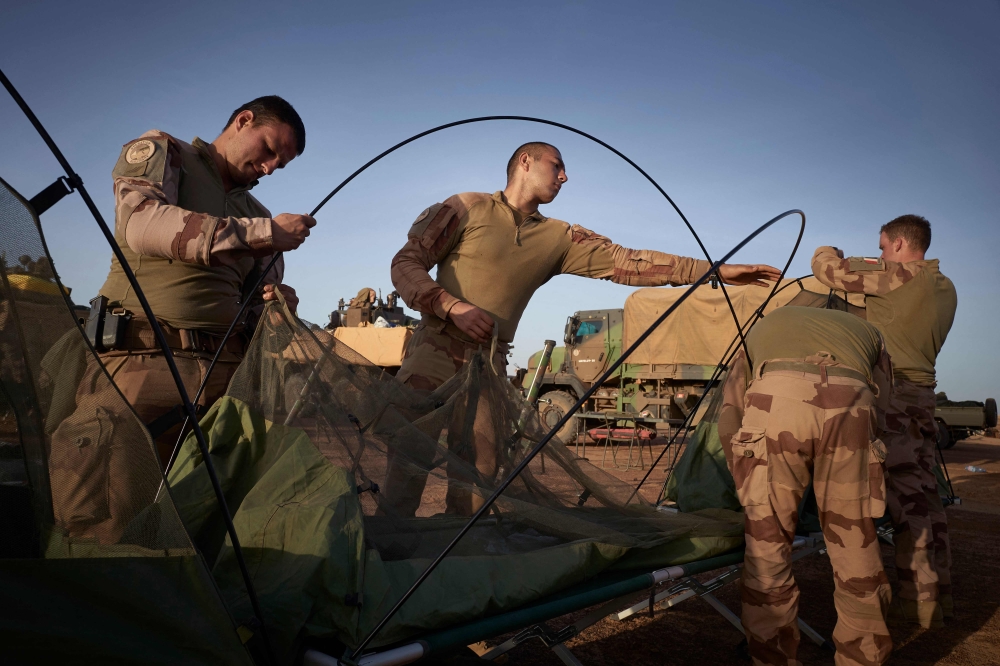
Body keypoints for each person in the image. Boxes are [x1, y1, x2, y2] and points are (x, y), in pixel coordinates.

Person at [386, 140, 782, 516]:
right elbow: (405, 263)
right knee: (408, 457)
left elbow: (631, 262)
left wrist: (716, 271)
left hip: (489, 365)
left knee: (479, 474)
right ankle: (390, 547)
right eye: (556, 165)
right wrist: (451, 306)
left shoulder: (558, 237)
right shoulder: (467, 207)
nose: (564, 176)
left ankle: (459, 554)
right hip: (434, 350)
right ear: (525, 162)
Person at [47, 96, 316, 544]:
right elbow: (142, 224)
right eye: (269, 150)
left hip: (225, 385)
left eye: (280, 165)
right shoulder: (167, 152)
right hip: (141, 367)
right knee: (109, 523)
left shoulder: (258, 214)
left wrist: (277, 306)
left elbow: (255, 305)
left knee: (204, 530)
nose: (270, 168)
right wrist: (264, 234)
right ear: (243, 120)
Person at [717, 306, 894, 666]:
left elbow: (730, 408)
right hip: (853, 403)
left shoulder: (764, 325)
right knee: (855, 546)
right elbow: (886, 405)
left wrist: (743, 472)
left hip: (777, 401)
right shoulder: (870, 332)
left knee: (768, 548)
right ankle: (863, 658)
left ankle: (772, 657)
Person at [812, 215, 957, 628]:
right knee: (926, 496)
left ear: (898, 245)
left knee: (904, 500)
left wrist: (828, 250)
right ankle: (938, 597)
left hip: (895, 395)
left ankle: (917, 602)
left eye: (881, 247)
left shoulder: (899, 276)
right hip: (923, 395)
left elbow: (826, 271)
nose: (879, 253)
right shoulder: (944, 286)